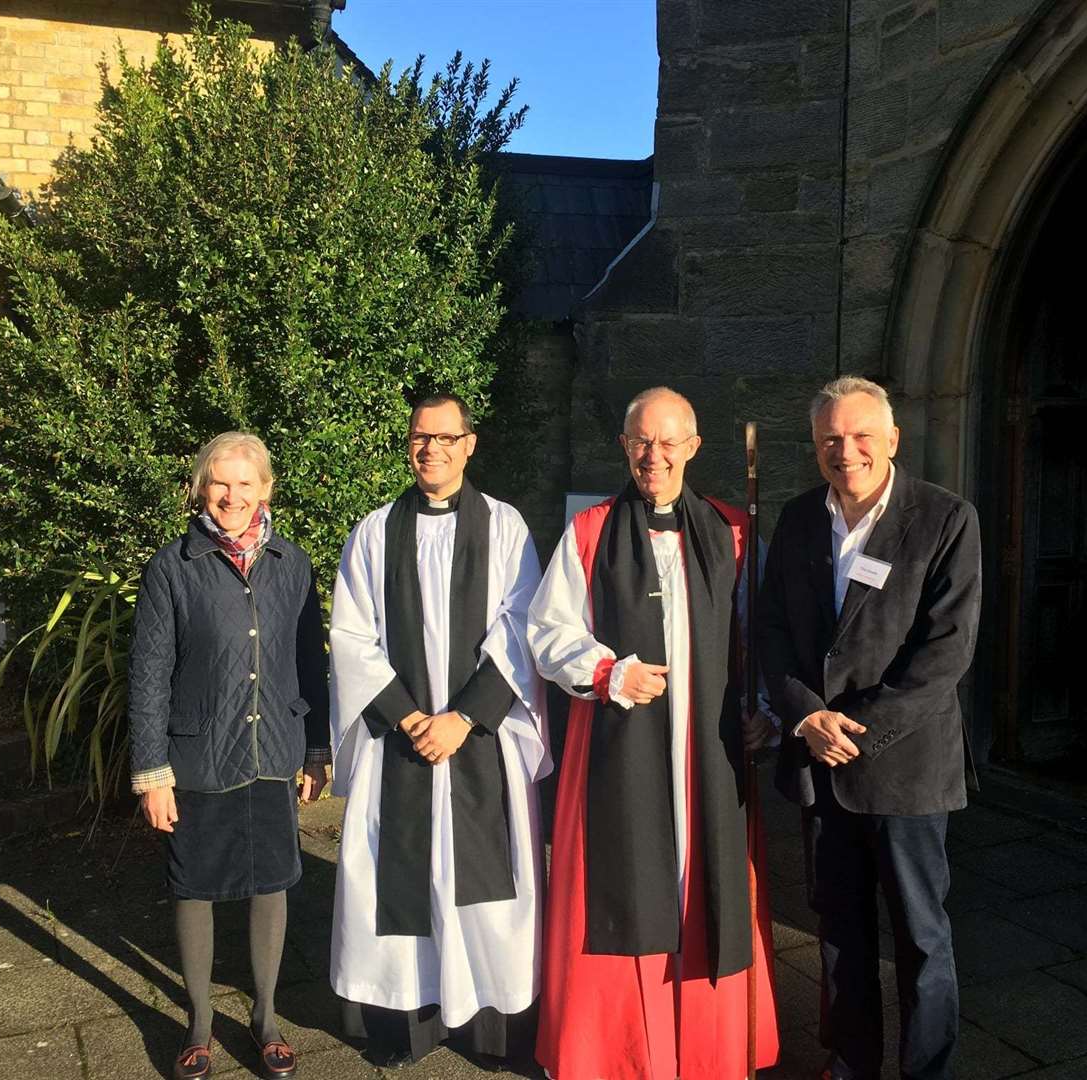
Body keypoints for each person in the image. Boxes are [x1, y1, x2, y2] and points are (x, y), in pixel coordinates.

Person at [527, 385, 779, 1080]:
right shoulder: (590, 531)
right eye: (643, 442)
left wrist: (763, 707)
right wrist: (609, 672)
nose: (655, 456)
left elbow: (758, 637)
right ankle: (614, 1054)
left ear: (694, 447)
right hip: (621, 750)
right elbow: (548, 633)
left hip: (710, 753)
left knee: (708, 883)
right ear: (625, 446)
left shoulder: (732, 530)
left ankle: (710, 1050)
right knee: (622, 881)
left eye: (670, 443)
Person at [757, 376, 982, 1080]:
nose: (844, 450)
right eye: (830, 438)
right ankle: (849, 1063)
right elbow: (770, 632)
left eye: (860, 436)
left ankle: (927, 1069)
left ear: (891, 440)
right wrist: (805, 716)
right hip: (821, 763)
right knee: (839, 933)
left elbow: (946, 652)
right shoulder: (797, 520)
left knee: (919, 935)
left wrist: (854, 730)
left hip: (906, 766)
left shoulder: (945, 519)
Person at [327, 393, 549, 1067]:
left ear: (470, 444)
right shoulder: (374, 532)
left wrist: (465, 716)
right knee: (402, 883)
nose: (433, 449)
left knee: (486, 887)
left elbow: (522, 628)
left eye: (446, 437)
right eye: (422, 438)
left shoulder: (505, 528)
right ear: (409, 444)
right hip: (403, 742)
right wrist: (406, 715)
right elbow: (351, 633)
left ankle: (491, 1029)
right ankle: (409, 1027)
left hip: (480, 742)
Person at [129, 432, 329, 1080]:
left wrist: (317, 748)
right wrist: (153, 774)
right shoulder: (172, 568)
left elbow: (309, 664)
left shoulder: (294, 565)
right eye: (220, 482)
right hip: (198, 758)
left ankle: (266, 1016)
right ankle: (199, 1023)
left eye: (246, 484)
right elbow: (149, 673)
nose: (232, 496)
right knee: (195, 887)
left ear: (266, 490)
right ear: (199, 488)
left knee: (271, 882)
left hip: (272, 750)